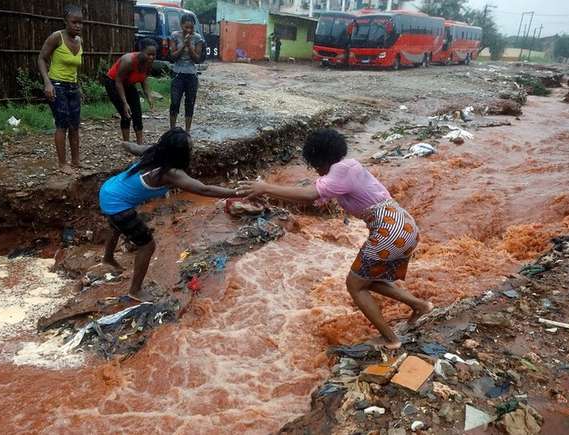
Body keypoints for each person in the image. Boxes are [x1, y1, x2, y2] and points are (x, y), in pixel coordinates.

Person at [241, 129, 433, 349]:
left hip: (389, 230)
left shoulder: (340, 171)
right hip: (404, 225)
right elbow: (313, 198)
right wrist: (269, 195)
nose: (316, 171)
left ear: (319, 160)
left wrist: (265, 187)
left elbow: (310, 194)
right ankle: (421, 306)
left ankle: (391, 340)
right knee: (369, 280)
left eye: (314, 166)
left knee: (355, 285)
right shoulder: (349, 167)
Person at [99, 127, 246, 299]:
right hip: (117, 204)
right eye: (189, 148)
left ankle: (108, 258)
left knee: (116, 226)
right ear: (180, 153)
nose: (192, 151)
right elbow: (204, 190)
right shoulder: (171, 173)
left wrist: (122, 143)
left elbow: (134, 148)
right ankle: (135, 291)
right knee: (147, 245)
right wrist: (238, 193)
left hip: (108, 189)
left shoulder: (154, 151)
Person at [38, 4, 84, 173]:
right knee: (62, 124)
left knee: (75, 125)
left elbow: (75, 69)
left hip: (73, 87)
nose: (78, 26)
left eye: (80, 23)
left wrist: (79, 87)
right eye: (74, 22)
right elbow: (42, 59)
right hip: (57, 86)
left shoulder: (80, 41)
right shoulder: (56, 37)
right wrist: (47, 83)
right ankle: (62, 164)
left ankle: (76, 161)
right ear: (65, 21)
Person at [104, 39, 157, 145]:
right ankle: (126, 143)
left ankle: (140, 144)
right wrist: (124, 103)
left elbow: (144, 79)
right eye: (149, 54)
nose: (151, 57)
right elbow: (118, 81)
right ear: (141, 51)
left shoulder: (149, 63)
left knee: (137, 112)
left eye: (154, 55)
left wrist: (149, 96)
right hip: (114, 83)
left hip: (128, 84)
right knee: (126, 114)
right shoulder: (128, 61)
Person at [169, 14, 203, 133]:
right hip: (177, 73)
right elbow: (172, 57)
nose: (189, 30)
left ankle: (187, 131)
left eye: (191, 28)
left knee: (190, 103)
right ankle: (172, 130)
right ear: (181, 25)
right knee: (174, 102)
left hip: (191, 74)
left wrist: (190, 46)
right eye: (186, 27)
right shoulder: (175, 36)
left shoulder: (197, 38)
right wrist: (183, 45)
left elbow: (197, 59)